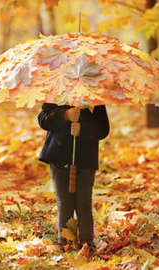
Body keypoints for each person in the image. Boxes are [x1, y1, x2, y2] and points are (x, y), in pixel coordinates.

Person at [38, 103, 110, 252]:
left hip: (85, 159)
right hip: (59, 157)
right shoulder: (57, 90)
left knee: (83, 202)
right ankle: (64, 240)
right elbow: (43, 120)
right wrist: (65, 115)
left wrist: (83, 129)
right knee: (64, 202)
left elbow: (103, 128)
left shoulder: (94, 95)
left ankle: (86, 242)